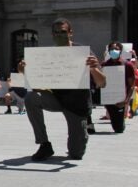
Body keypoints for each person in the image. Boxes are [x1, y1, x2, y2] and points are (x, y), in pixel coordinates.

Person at [25, 18, 106, 161]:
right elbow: (37, 86)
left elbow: (102, 83)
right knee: (31, 97)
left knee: (76, 154)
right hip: (57, 99)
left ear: (70, 33)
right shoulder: (48, 56)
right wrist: (24, 71)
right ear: (52, 35)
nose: (59, 35)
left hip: (77, 106)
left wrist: (94, 68)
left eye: (63, 32)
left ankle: (82, 132)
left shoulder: (84, 53)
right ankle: (44, 144)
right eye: (55, 32)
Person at [101, 42, 135, 133]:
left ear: (120, 51)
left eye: (116, 49)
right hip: (109, 98)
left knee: (118, 129)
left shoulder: (127, 65)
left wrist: (126, 100)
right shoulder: (104, 65)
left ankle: (121, 122)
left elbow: (132, 85)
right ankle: (117, 121)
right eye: (111, 49)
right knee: (113, 119)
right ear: (108, 51)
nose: (114, 51)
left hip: (121, 99)